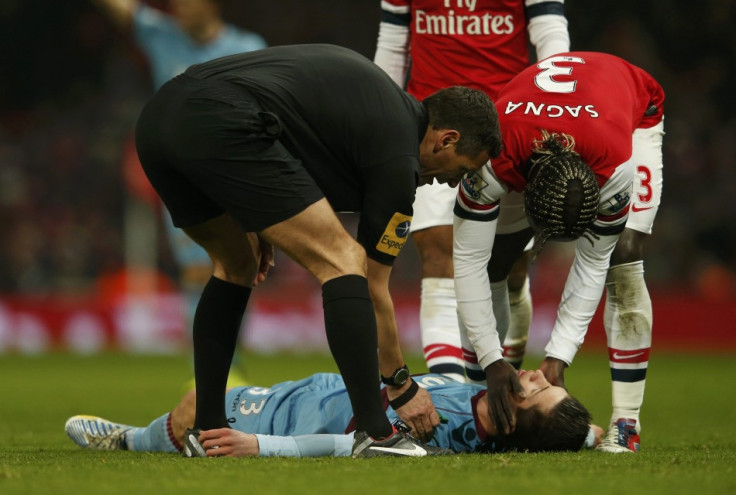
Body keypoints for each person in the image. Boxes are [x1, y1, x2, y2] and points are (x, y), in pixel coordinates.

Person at [134, 43, 503, 457]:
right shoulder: (400, 159)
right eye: (464, 169)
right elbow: (373, 285)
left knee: (236, 264)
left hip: (159, 120)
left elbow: (288, 137)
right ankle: (376, 436)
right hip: (225, 123)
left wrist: (262, 223)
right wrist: (400, 385)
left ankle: (208, 429)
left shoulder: (375, 109)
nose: (454, 183)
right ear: (446, 139)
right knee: (344, 261)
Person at [452, 52, 664, 453]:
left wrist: (559, 357)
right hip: (535, 128)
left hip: (634, 111)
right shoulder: (494, 157)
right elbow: (467, 261)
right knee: (496, 259)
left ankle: (626, 424)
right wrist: (491, 361)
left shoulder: (616, 168)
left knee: (623, 256)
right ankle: (478, 398)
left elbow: (592, 260)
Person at [373, 0, 571, 381]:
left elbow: (550, 37)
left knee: (509, 267)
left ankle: (504, 380)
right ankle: (452, 391)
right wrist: (383, 123)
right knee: (437, 253)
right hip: (430, 126)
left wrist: (550, 109)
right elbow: (394, 43)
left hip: (505, 126)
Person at [91, 0, 266, 383]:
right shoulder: (160, 33)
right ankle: (214, 372)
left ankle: (228, 364)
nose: (180, 8)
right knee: (198, 272)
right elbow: (120, 9)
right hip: (182, 177)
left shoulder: (248, 46)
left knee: (241, 266)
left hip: (233, 174)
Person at [65, 368, 593, 457]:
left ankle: (130, 440)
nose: (535, 376)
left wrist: (260, 447)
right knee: (205, 402)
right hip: (311, 389)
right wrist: (595, 433)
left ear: (510, 421)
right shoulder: (485, 394)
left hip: (288, 421)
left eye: (535, 391)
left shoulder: (446, 434)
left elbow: (356, 447)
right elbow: (560, 430)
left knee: (195, 408)